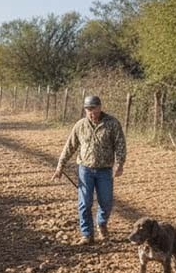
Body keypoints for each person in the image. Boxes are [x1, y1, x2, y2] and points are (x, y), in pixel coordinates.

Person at [53, 95, 127, 244]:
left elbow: (120, 144)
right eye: (88, 109)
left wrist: (119, 163)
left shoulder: (112, 124)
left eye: (93, 109)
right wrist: (60, 166)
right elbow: (70, 146)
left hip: (105, 170)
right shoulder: (80, 125)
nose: (91, 112)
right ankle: (87, 234)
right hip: (85, 169)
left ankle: (101, 223)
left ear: (100, 107)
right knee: (85, 203)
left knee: (106, 202)